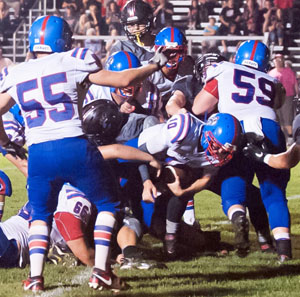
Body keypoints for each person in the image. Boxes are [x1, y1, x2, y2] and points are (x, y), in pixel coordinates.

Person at [0, 15, 168, 292]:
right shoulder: (73, 60)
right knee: (109, 204)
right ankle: (101, 271)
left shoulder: (18, 72)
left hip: (39, 151)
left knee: (41, 214)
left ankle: (36, 277)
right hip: (74, 144)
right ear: (62, 39)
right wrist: (153, 65)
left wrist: (6, 142)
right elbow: (122, 78)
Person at [192, 40, 291, 262]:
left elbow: (199, 107)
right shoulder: (271, 80)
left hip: (235, 128)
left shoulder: (225, 69)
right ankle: (284, 251)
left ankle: (238, 216)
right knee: (274, 193)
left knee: (233, 183)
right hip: (269, 128)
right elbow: (277, 101)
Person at [268, 53, 299, 144]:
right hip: (276, 98)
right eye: (276, 60)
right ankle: (283, 138)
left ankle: (290, 137)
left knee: (288, 118)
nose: (278, 61)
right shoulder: (271, 73)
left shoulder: (288, 71)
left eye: (279, 60)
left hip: (288, 96)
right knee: (279, 119)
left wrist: (297, 95)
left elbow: (295, 84)